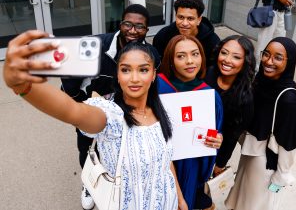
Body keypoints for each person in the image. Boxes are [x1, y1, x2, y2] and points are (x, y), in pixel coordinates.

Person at [3, 32, 182, 210]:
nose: (134, 78)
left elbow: (165, 162)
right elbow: (73, 111)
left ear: (153, 74)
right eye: (126, 69)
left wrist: (180, 200)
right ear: (117, 75)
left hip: (169, 202)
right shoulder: (112, 115)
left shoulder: (161, 110)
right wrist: (23, 85)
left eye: (143, 69)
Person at [61, 4, 160, 210]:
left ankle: (117, 182)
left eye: (140, 27)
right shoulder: (94, 45)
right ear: (120, 24)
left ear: (147, 30)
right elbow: (68, 74)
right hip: (93, 104)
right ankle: (89, 182)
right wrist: (79, 103)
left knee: (119, 149)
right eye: (128, 24)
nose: (133, 31)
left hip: (125, 108)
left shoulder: (151, 54)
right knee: (88, 145)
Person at [225, 37, 296, 210]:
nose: (268, 61)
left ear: (289, 62)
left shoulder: (289, 99)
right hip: (250, 152)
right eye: (266, 54)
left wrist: (281, 175)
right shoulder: (261, 82)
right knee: (243, 199)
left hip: (265, 161)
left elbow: (289, 144)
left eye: (278, 57)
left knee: (255, 204)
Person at [157, 35, 223, 210]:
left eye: (195, 54)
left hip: (191, 163)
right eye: (180, 56)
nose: (190, 61)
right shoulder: (156, 86)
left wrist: (217, 139)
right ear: (170, 60)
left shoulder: (209, 95)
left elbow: (214, 131)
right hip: (160, 160)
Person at [204, 35, 256, 176]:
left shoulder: (245, 99)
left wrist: (220, 164)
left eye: (236, 57)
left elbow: (232, 137)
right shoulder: (208, 74)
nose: (227, 60)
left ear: (246, 61)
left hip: (215, 149)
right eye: (224, 53)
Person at [153, 0, 220, 67]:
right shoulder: (162, 37)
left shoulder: (213, 42)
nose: (184, 23)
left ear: (199, 20)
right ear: (176, 16)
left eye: (190, 18)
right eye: (181, 17)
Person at [255, 0, 294, 70]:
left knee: (279, 44)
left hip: (283, 13)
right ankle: (257, 69)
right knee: (263, 42)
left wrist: (288, 1)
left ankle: (271, 68)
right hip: (270, 12)